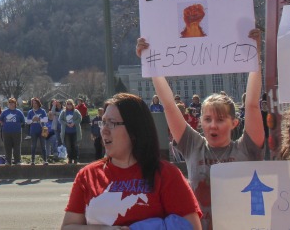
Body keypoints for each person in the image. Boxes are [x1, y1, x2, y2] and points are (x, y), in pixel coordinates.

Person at [136, 29, 265, 230]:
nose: (213, 125)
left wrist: (255, 56)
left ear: (234, 123)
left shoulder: (246, 148)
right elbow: (169, 105)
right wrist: (151, 64)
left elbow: (252, 105)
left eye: (220, 119)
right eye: (207, 119)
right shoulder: (193, 145)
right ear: (200, 122)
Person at [61, 93, 202, 229]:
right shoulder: (87, 175)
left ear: (135, 130)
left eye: (112, 123)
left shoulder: (167, 174)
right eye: (103, 122)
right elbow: (68, 226)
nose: (104, 130)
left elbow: (192, 226)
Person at [0, 97, 26, 165]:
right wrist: (4, 125)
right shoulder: (5, 112)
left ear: (15, 104)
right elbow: (1, 120)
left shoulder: (19, 112)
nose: (11, 104)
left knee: (17, 147)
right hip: (6, 132)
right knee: (7, 147)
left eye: (12, 103)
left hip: (17, 132)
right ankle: (8, 161)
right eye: (10, 103)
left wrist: (18, 125)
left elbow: (23, 121)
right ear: (8, 104)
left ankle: (17, 161)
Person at [60, 99, 82, 164]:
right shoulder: (63, 112)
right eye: (68, 104)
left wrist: (74, 123)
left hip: (75, 131)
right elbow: (60, 119)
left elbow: (80, 118)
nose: (69, 105)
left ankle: (75, 159)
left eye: (70, 104)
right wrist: (66, 123)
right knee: (68, 146)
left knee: (75, 146)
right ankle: (70, 158)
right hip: (66, 132)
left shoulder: (76, 111)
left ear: (73, 105)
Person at [27, 97, 49, 165]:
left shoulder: (42, 111)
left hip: (42, 130)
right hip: (33, 130)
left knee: (43, 146)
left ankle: (45, 160)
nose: (34, 104)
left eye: (35, 103)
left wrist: (39, 119)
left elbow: (46, 119)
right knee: (33, 146)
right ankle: (33, 160)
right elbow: (27, 122)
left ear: (38, 103)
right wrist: (33, 120)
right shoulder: (30, 112)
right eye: (33, 103)